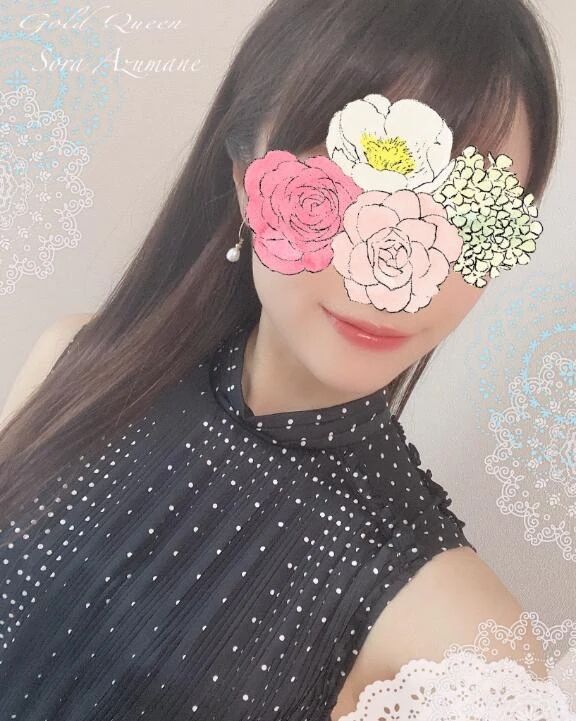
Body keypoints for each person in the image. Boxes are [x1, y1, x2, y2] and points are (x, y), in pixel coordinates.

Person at [0, 0, 560, 719]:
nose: (391, 274)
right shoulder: (75, 364)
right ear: (245, 176)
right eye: (350, 184)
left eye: (469, 217)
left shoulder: (459, 644)